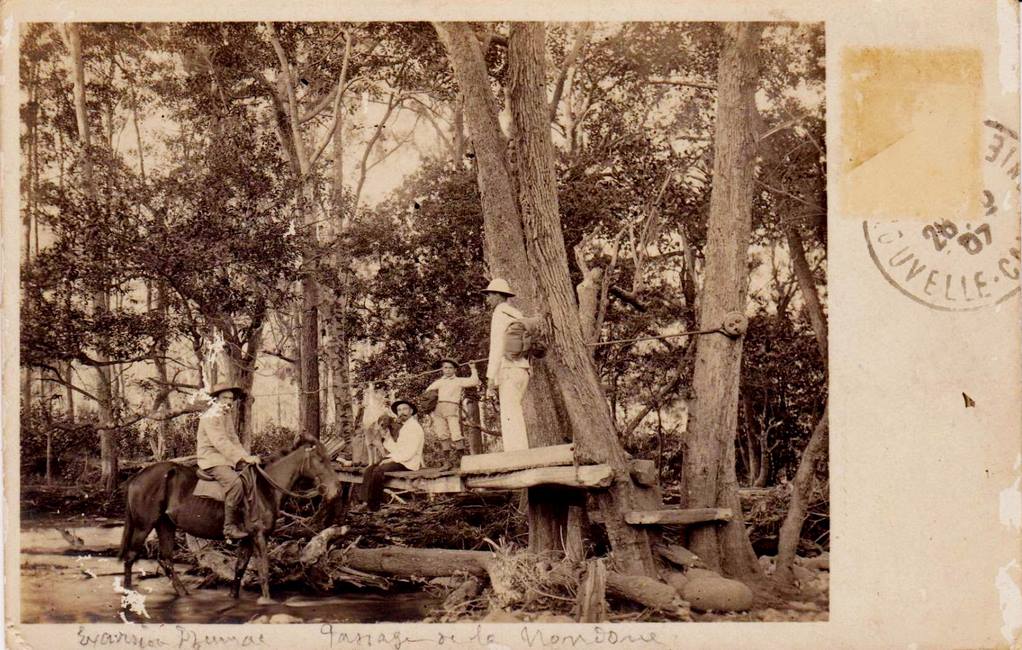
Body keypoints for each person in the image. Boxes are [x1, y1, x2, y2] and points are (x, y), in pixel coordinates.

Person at [196, 382, 260, 539]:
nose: (228, 401)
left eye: (231, 398)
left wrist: (246, 457)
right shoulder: (211, 416)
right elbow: (220, 442)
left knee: (251, 475)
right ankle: (229, 528)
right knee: (235, 484)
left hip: (225, 458)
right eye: (225, 398)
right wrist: (242, 458)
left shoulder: (225, 415)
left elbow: (233, 440)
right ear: (216, 399)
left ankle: (249, 518)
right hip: (212, 458)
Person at [482, 278, 531, 451]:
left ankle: (515, 453)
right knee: (516, 410)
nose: (488, 299)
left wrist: (490, 376)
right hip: (523, 368)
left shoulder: (499, 313)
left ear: (498, 295)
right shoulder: (517, 313)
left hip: (508, 368)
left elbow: (497, 346)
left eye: (490, 295)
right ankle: (520, 450)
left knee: (510, 414)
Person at [361, 399, 425, 511]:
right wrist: (387, 438)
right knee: (369, 470)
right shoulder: (405, 427)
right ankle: (365, 502)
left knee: (378, 471)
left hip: (408, 463)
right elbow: (398, 449)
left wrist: (391, 459)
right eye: (399, 410)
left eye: (405, 409)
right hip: (401, 459)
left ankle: (374, 507)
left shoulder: (414, 427)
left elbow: (409, 453)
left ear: (411, 411)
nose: (401, 412)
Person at [425, 358, 480, 467]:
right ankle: (447, 462)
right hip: (438, 409)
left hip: (452, 407)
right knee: (442, 434)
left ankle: (462, 461)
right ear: (442, 369)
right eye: (445, 367)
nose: (448, 370)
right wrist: (430, 405)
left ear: (455, 370)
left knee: (456, 433)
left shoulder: (458, 381)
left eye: (450, 368)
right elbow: (427, 392)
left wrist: (473, 368)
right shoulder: (439, 382)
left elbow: (474, 381)